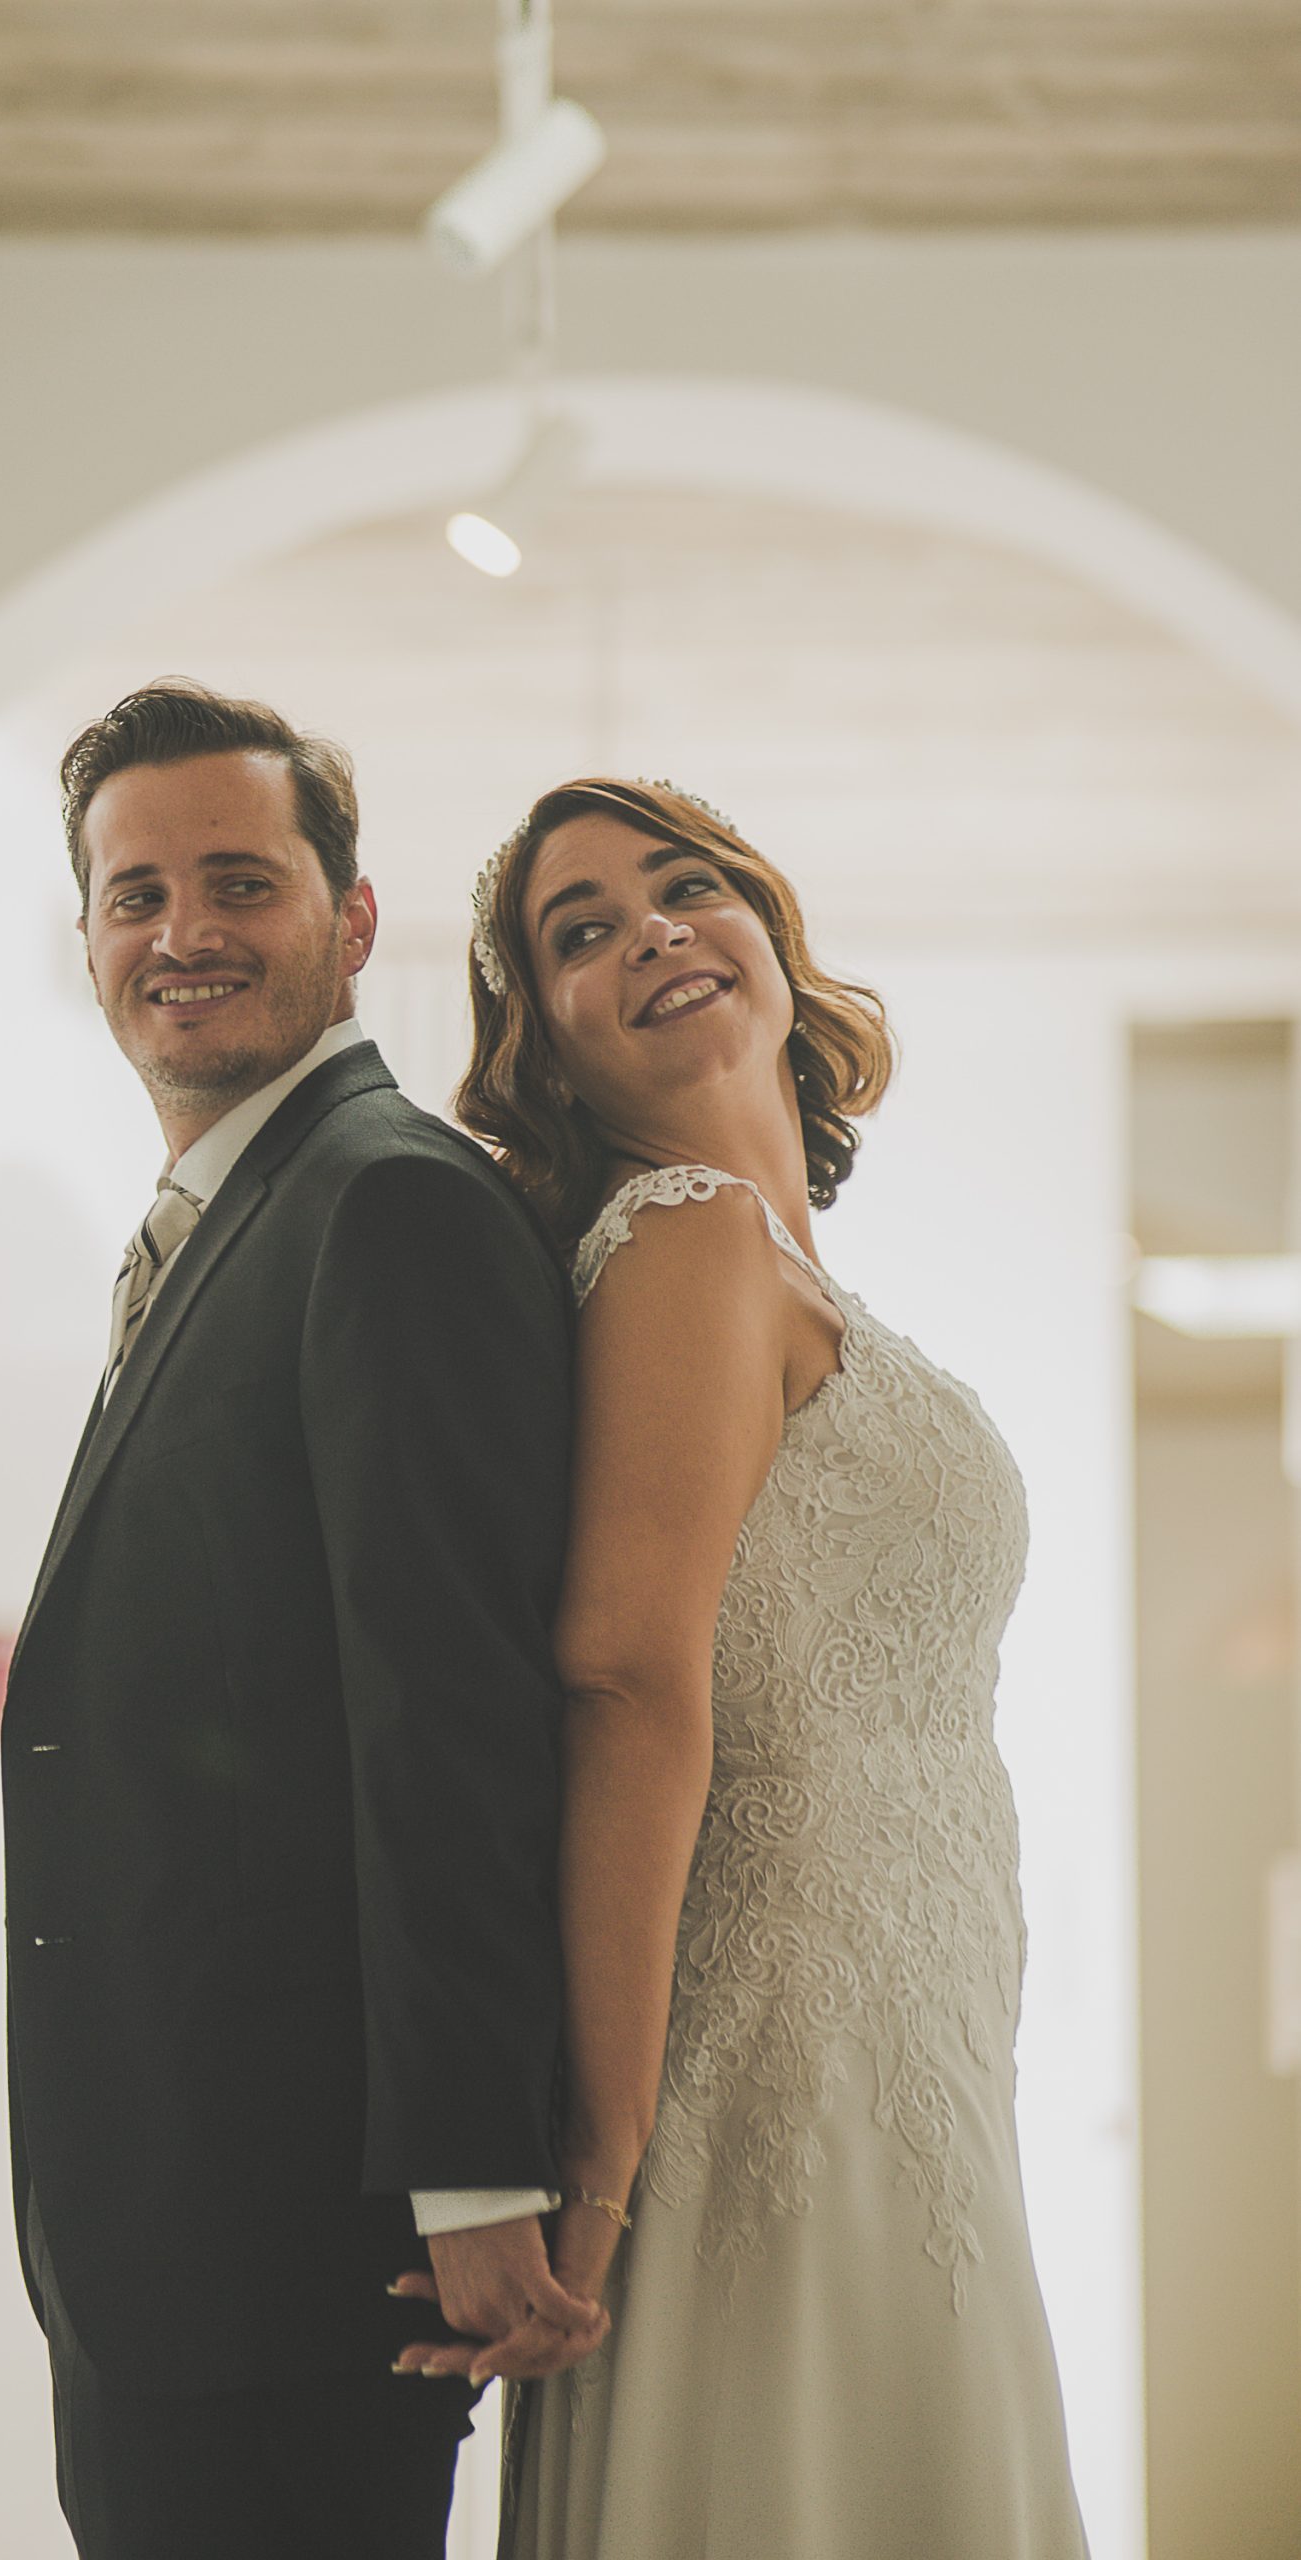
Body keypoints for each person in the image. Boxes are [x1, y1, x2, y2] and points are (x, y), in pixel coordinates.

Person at [397, 776, 1090, 2557]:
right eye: (582, 932)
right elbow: (626, 1682)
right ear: (544, 1048)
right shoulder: (687, 1233)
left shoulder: (781, 1265)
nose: (651, 931)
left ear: (770, 939)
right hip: (774, 2041)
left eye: (683, 887)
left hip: (914, 2033)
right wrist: (601, 2159)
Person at [0, 679, 606, 2560]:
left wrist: (472, 2167)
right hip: (165, 2225)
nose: (182, 932)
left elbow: (451, 1710)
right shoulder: (231, 1220)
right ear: (90, 938)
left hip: (294, 2243)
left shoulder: (389, 1207)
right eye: (136, 894)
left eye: (240, 883)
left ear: (351, 922)